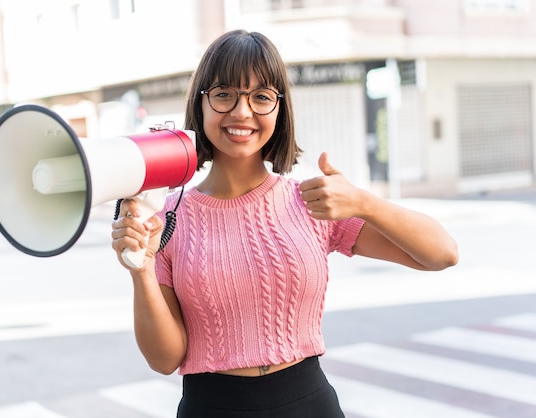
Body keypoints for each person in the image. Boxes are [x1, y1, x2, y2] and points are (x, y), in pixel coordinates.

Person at [111, 29, 459, 418]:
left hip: (309, 403)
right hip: (211, 408)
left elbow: (442, 254)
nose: (242, 113)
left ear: (279, 109)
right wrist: (140, 270)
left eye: (261, 97)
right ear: (202, 103)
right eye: (224, 94)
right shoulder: (167, 220)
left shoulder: (312, 202)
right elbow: (164, 358)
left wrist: (363, 201)